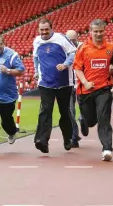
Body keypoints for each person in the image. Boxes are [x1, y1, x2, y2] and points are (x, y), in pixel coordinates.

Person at [73, 19, 113, 161]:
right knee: (91, 121)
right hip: (85, 92)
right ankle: (83, 120)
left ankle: (107, 148)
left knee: (104, 118)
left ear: (104, 31)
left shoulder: (111, 47)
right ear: (90, 32)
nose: (98, 34)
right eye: (95, 31)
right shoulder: (83, 48)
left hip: (103, 88)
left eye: (101, 31)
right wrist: (85, 82)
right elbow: (77, 68)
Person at [33, 18, 76, 153]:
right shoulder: (37, 41)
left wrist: (65, 64)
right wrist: (36, 71)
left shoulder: (61, 39)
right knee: (45, 110)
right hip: (45, 83)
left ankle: (68, 138)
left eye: (46, 29)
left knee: (64, 111)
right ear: (38, 30)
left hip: (64, 83)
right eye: (42, 30)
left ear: (51, 28)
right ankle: (42, 141)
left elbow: (73, 53)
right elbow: (35, 57)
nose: (44, 32)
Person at [65, 29, 82, 148]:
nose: (71, 42)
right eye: (69, 40)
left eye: (73, 40)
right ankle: (74, 137)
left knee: (85, 113)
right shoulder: (63, 50)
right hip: (69, 85)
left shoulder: (83, 48)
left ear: (77, 38)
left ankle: (83, 121)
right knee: (70, 112)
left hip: (82, 85)